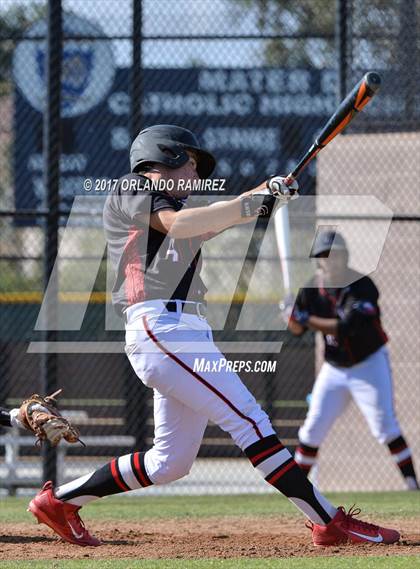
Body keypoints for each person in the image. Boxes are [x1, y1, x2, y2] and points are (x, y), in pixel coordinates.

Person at [28, 124, 400, 547]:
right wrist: (249, 205)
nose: (195, 174)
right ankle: (329, 522)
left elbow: (207, 222)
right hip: (162, 327)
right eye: (190, 163)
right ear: (163, 157)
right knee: (249, 422)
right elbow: (181, 223)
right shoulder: (133, 187)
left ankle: (60, 502)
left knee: (170, 462)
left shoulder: (174, 214)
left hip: (180, 332)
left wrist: (267, 192)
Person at [286, 230, 419, 491]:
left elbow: (345, 326)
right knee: (312, 430)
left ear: (344, 257)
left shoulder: (363, 285)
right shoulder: (312, 288)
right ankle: (295, 490)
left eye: (333, 255)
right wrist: (290, 315)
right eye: (323, 256)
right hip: (334, 368)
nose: (328, 261)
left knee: (385, 427)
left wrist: (305, 318)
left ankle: (413, 487)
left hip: (368, 363)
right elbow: (297, 330)